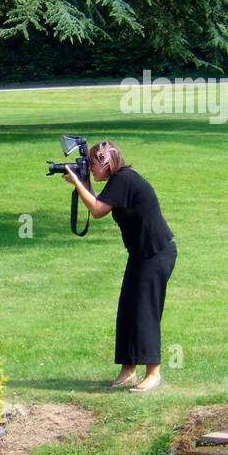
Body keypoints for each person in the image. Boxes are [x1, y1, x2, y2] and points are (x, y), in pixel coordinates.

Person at [62, 141, 176, 392]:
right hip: (141, 253)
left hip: (156, 252)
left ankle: (154, 373)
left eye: (92, 166)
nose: (91, 171)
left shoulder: (123, 180)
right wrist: (84, 183)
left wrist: (77, 183)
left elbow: (98, 209)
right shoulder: (118, 182)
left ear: (106, 163)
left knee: (145, 310)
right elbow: (98, 200)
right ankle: (128, 371)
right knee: (128, 309)